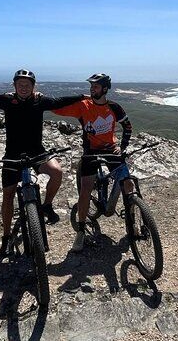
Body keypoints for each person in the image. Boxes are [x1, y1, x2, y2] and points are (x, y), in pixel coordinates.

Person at [0, 69, 84, 255]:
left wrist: (82, 96)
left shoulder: (40, 101)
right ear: (14, 85)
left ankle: (47, 205)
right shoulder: (7, 100)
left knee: (57, 172)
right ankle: (6, 236)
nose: (24, 88)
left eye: (27, 85)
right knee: (8, 195)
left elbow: (61, 101)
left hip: (37, 153)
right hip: (13, 154)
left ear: (34, 86)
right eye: (20, 84)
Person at [53, 73, 133, 252]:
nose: (91, 89)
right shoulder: (84, 106)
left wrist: (123, 146)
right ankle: (80, 231)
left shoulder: (114, 107)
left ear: (105, 89)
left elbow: (127, 126)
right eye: (91, 86)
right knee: (86, 190)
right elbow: (57, 108)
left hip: (111, 149)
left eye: (95, 86)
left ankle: (133, 222)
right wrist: (42, 101)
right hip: (91, 152)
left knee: (128, 184)